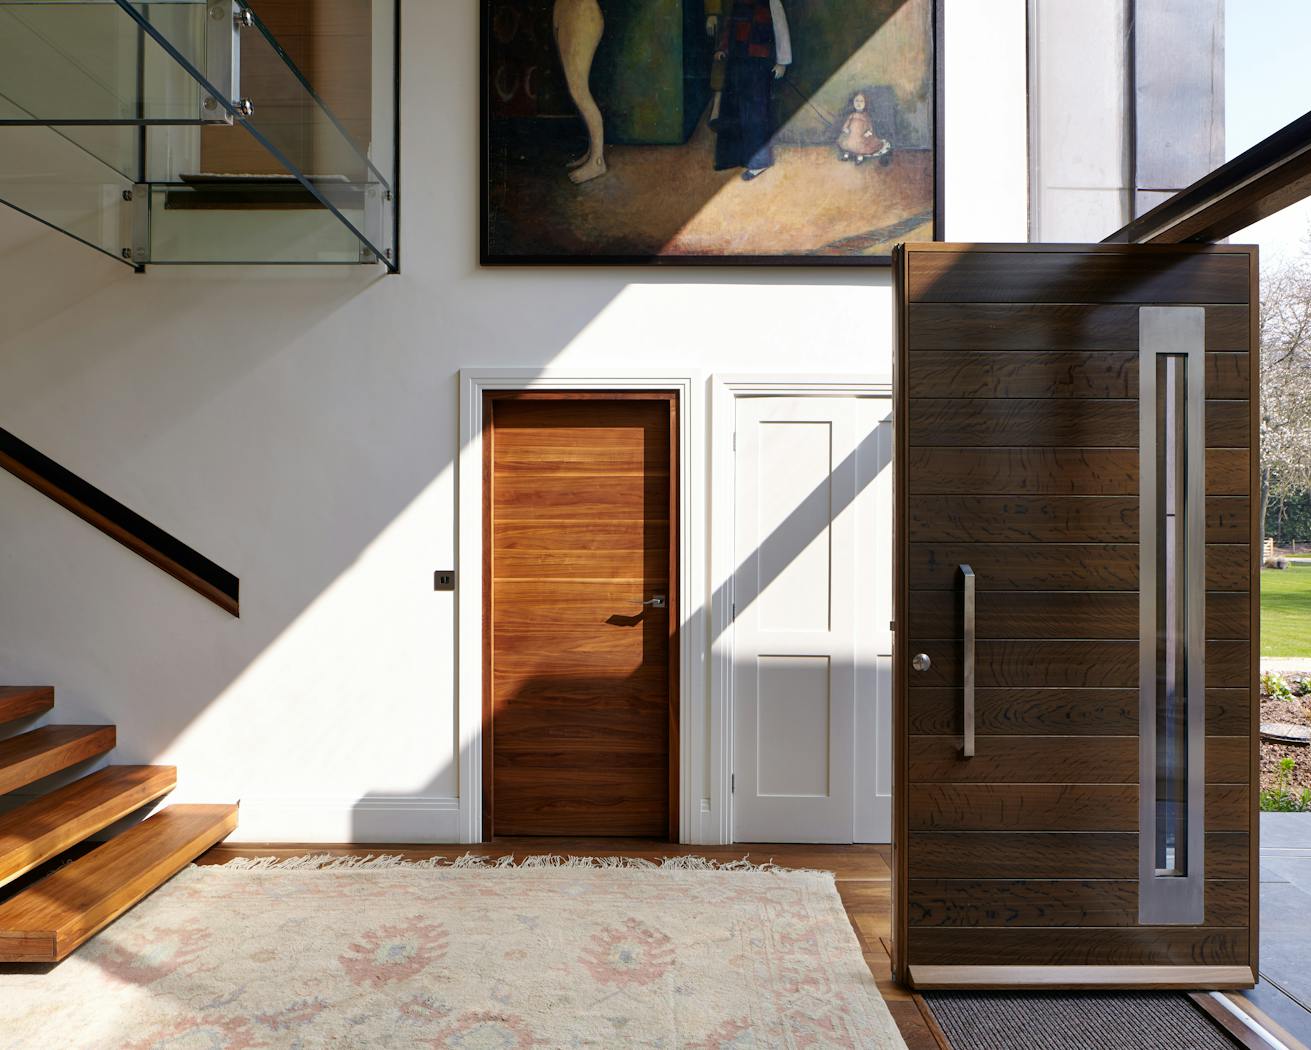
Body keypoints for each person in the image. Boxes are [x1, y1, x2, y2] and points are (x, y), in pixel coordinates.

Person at [713, 0, 792, 180]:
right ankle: (734, 158)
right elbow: (729, 27)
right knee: (734, 110)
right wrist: (723, 48)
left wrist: (782, 62)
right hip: (737, 61)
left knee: (755, 113)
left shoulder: (771, 2)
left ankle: (759, 162)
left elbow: (781, 31)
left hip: (758, 64)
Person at [553, 0, 607, 185]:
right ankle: (592, 152)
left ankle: (598, 161)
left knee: (579, 90)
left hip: (581, 13)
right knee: (574, 88)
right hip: (566, 10)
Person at [837, 91, 892, 165]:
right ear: (853, 102)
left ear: (865, 103)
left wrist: (868, 133)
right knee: (847, 145)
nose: (858, 103)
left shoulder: (865, 116)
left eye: (861, 101)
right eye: (856, 101)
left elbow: (870, 127)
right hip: (851, 135)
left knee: (860, 147)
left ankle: (859, 158)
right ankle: (846, 156)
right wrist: (845, 128)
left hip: (861, 136)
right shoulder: (852, 115)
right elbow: (847, 122)